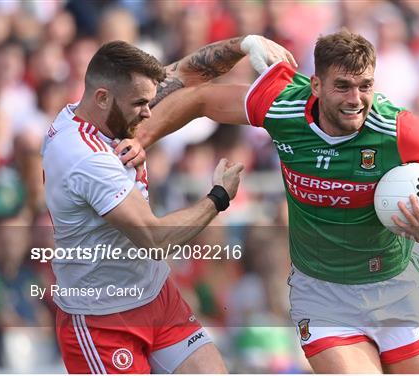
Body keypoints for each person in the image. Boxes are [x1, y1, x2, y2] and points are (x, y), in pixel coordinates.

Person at [128, 29, 419, 373]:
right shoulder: (282, 105)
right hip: (322, 293)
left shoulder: (395, 128)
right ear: (316, 86)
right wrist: (142, 139)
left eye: (365, 86)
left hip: (396, 285)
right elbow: (199, 99)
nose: (355, 99)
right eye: (342, 86)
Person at [41, 36, 294, 374]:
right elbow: (155, 239)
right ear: (102, 97)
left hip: (156, 297)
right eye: (140, 105)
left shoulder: (107, 112)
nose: (149, 112)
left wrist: (245, 44)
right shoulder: (86, 159)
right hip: (102, 318)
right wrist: (218, 196)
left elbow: (185, 73)